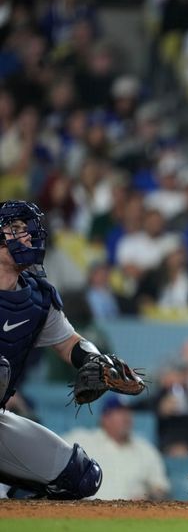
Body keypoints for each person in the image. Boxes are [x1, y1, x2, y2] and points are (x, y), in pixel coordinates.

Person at [0, 200, 141, 499]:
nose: (26, 237)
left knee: (80, 477)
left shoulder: (36, 299)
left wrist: (96, 360)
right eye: (14, 230)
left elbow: (68, 343)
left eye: (27, 230)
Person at [62, 396, 170, 500]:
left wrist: (149, 498)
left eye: (128, 411)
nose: (126, 417)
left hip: (130, 515)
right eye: (119, 412)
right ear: (104, 418)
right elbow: (52, 451)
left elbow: (161, 489)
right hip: (87, 513)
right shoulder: (82, 440)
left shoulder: (146, 450)